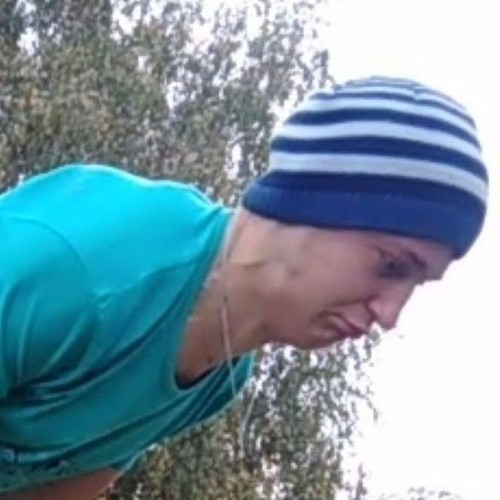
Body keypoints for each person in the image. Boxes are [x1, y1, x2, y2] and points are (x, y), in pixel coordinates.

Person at [0, 76, 488, 499]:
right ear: (315, 201)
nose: (391, 314)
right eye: (393, 266)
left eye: (418, 284)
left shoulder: (222, 373)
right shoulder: (87, 266)